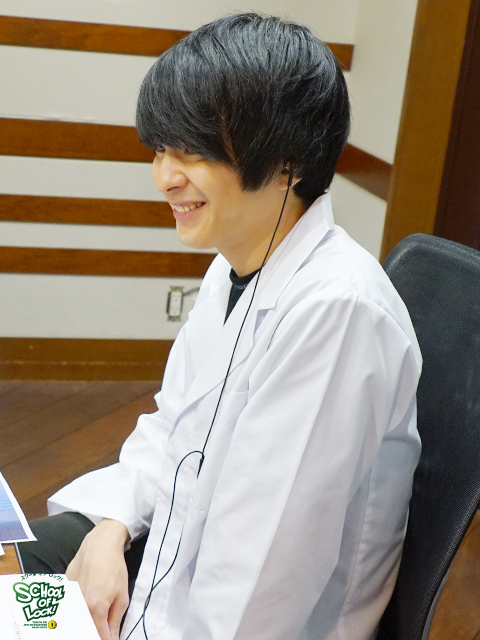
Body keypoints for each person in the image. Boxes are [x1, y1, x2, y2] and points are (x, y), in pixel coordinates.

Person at [18, 13, 422, 640]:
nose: (165, 176)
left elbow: (254, 593)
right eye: (161, 148)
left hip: (216, 617)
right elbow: (173, 424)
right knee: (11, 572)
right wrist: (110, 527)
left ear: (288, 162)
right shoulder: (237, 263)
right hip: (159, 554)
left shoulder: (336, 314)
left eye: (194, 151)